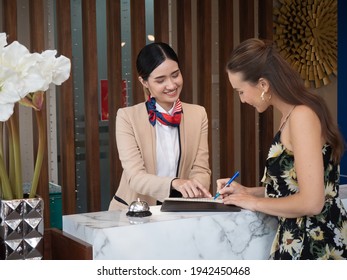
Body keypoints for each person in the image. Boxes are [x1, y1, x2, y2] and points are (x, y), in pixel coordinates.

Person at [217, 38, 347, 259]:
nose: (242, 100)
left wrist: (255, 202)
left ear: (263, 85)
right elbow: (293, 186)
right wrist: (247, 192)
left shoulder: (301, 116)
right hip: (298, 239)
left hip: (315, 246)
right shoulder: (289, 116)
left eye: (240, 91)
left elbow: (312, 201)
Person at [109, 42, 211, 210]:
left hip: (180, 211)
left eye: (175, 75)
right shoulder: (127, 117)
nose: (171, 85)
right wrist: (174, 183)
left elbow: (201, 169)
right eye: (160, 80)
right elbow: (135, 177)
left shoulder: (198, 114)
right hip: (134, 212)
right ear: (144, 81)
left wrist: (194, 189)